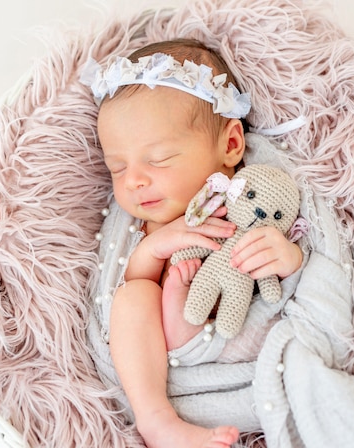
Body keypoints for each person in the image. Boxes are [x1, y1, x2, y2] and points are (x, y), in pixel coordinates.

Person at [85, 39, 303, 448]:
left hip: (242, 345)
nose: (133, 181)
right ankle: (157, 420)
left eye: (159, 159)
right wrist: (154, 248)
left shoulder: (254, 190)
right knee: (133, 299)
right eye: (117, 167)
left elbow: (304, 246)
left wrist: (288, 257)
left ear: (231, 145)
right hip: (161, 360)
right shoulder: (148, 223)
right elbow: (124, 284)